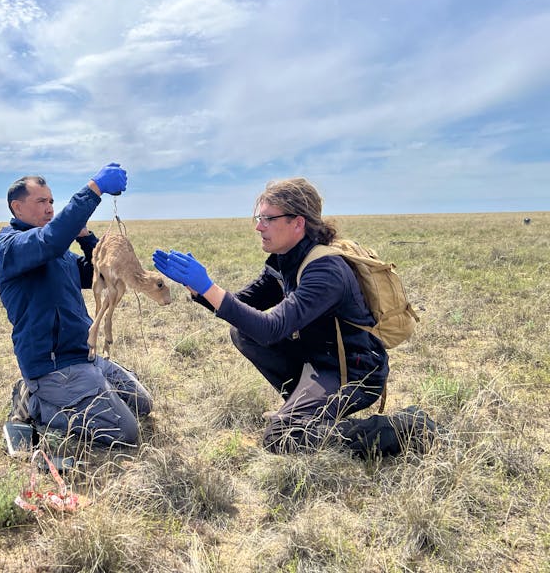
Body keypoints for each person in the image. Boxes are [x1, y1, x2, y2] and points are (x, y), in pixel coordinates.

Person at [153, 178, 436, 457]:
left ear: (297, 223)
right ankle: (302, 410)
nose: (258, 226)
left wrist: (209, 288)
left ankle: (405, 428)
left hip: (353, 372)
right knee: (242, 331)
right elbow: (242, 306)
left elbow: (270, 329)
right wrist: (197, 290)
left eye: (267, 218)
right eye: (258, 217)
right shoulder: (285, 259)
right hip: (318, 360)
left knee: (282, 438)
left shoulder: (326, 270)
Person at [0, 163, 153, 448]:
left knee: (143, 404)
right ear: (17, 208)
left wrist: (86, 238)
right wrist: (93, 190)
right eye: (41, 201)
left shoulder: (58, 253)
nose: (50, 208)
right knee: (125, 433)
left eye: (52, 201)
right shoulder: (11, 247)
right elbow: (49, 241)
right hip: (52, 366)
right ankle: (34, 402)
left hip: (83, 355)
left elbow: (97, 275)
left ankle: (87, 390)